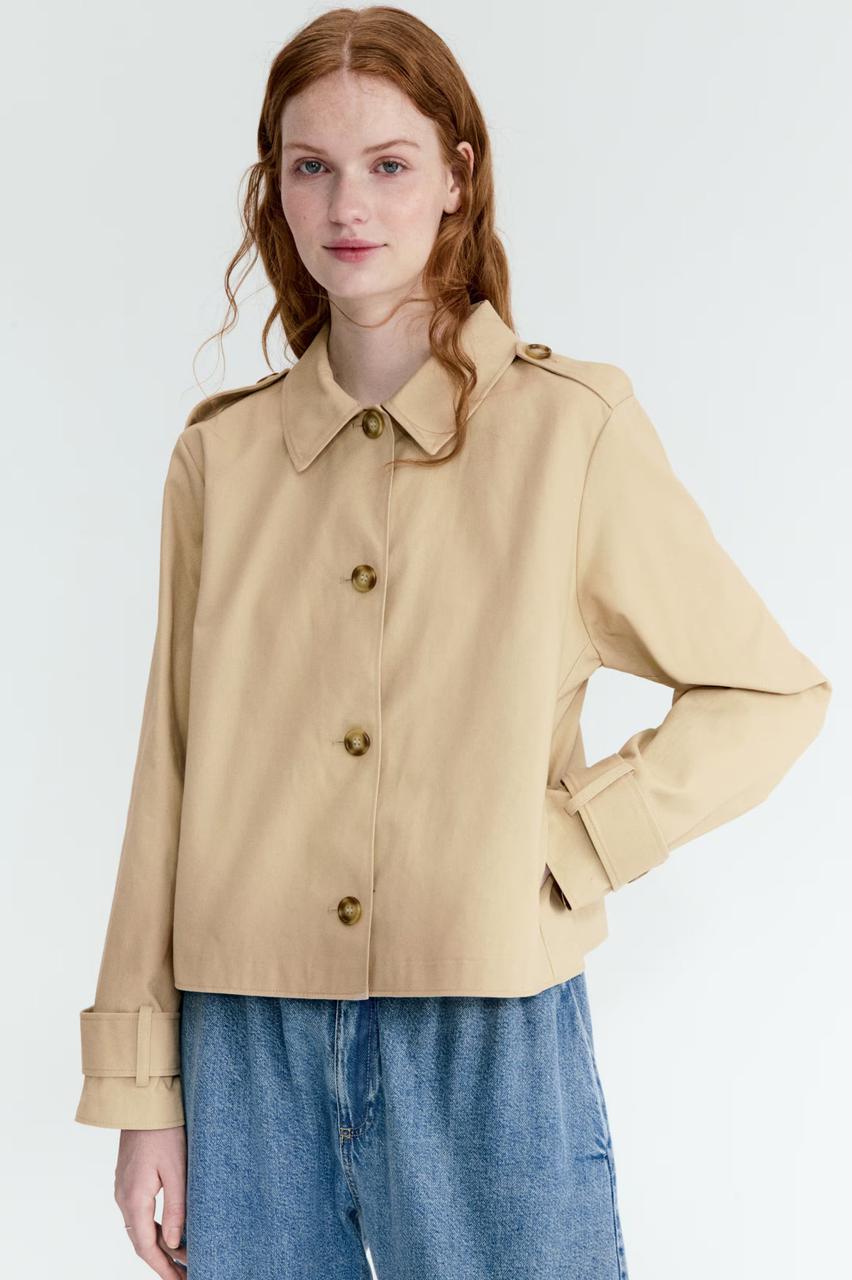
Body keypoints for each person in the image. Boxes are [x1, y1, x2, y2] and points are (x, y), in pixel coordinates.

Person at [73, 7, 832, 1278]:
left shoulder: (569, 431)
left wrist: (572, 841)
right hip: (245, 1042)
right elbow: (170, 773)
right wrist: (144, 1090)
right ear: (275, 185)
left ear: (456, 177)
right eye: (311, 165)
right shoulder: (221, 459)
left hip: (490, 1029)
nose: (346, 204)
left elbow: (769, 690)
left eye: (389, 163)